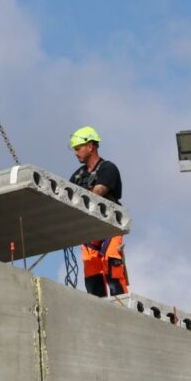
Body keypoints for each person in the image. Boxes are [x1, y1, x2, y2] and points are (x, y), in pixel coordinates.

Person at [68, 126, 128, 297]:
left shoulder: (108, 169)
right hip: (89, 230)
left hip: (109, 225)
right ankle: (99, 308)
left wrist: (82, 193)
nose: (76, 152)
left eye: (78, 148)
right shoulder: (78, 176)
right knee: (92, 276)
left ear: (90, 146)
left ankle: (120, 305)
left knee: (112, 267)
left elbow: (97, 193)